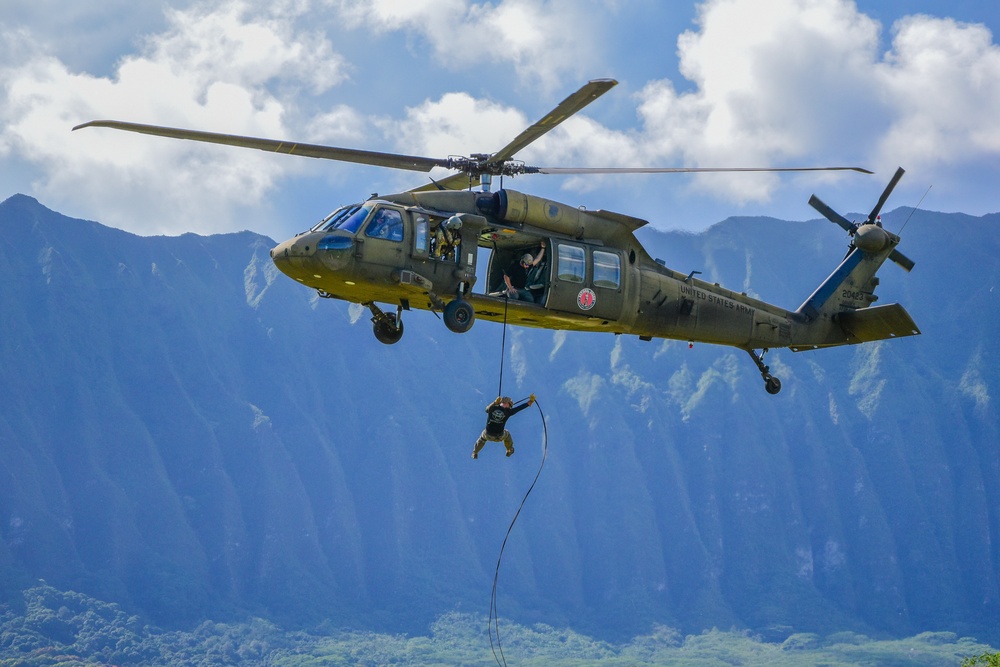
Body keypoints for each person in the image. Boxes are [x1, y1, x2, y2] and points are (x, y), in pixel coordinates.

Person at [473, 395, 535, 459]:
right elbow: (520, 408)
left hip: (488, 435)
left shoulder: (493, 408)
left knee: (482, 438)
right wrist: (531, 401)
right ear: (507, 403)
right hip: (500, 436)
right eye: (510, 406)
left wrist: (495, 402)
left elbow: (487, 410)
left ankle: (475, 452)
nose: (510, 407)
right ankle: (509, 449)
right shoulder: (508, 412)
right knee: (507, 434)